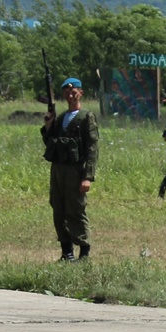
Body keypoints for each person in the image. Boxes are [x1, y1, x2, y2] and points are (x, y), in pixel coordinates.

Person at [41, 77, 99, 261]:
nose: (70, 94)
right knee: (58, 209)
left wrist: (87, 176)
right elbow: (51, 144)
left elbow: (92, 147)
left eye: (74, 91)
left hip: (75, 170)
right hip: (58, 170)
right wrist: (48, 125)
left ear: (81, 93)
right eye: (66, 91)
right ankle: (67, 253)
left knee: (76, 209)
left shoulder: (86, 117)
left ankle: (84, 251)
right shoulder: (61, 118)